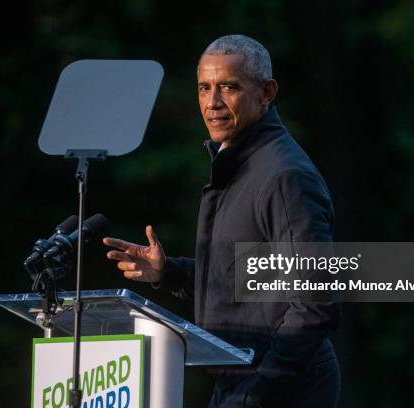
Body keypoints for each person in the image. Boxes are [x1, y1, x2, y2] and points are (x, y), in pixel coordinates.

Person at [103, 35, 341, 408]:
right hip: (240, 378)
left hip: (282, 386)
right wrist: (169, 273)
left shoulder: (284, 176)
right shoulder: (234, 164)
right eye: (204, 88)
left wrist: (260, 386)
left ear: (266, 92)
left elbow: (315, 301)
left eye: (228, 87)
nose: (212, 103)